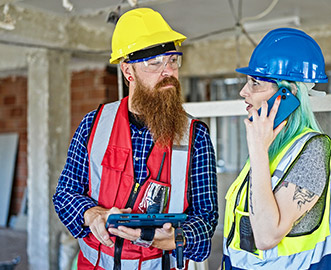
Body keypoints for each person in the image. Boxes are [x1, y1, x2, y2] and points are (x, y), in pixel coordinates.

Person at [53, 8, 218, 270]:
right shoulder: (94, 125)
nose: (169, 72)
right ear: (128, 71)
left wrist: (173, 238)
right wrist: (93, 214)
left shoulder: (195, 137)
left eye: (173, 60)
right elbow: (64, 194)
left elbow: (205, 221)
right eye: (155, 63)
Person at [222, 28, 331, 269]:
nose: (243, 92)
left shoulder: (313, 149)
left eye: (255, 83)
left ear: (286, 95)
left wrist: (258, 151)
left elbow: (267, 236)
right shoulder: (270, 149)